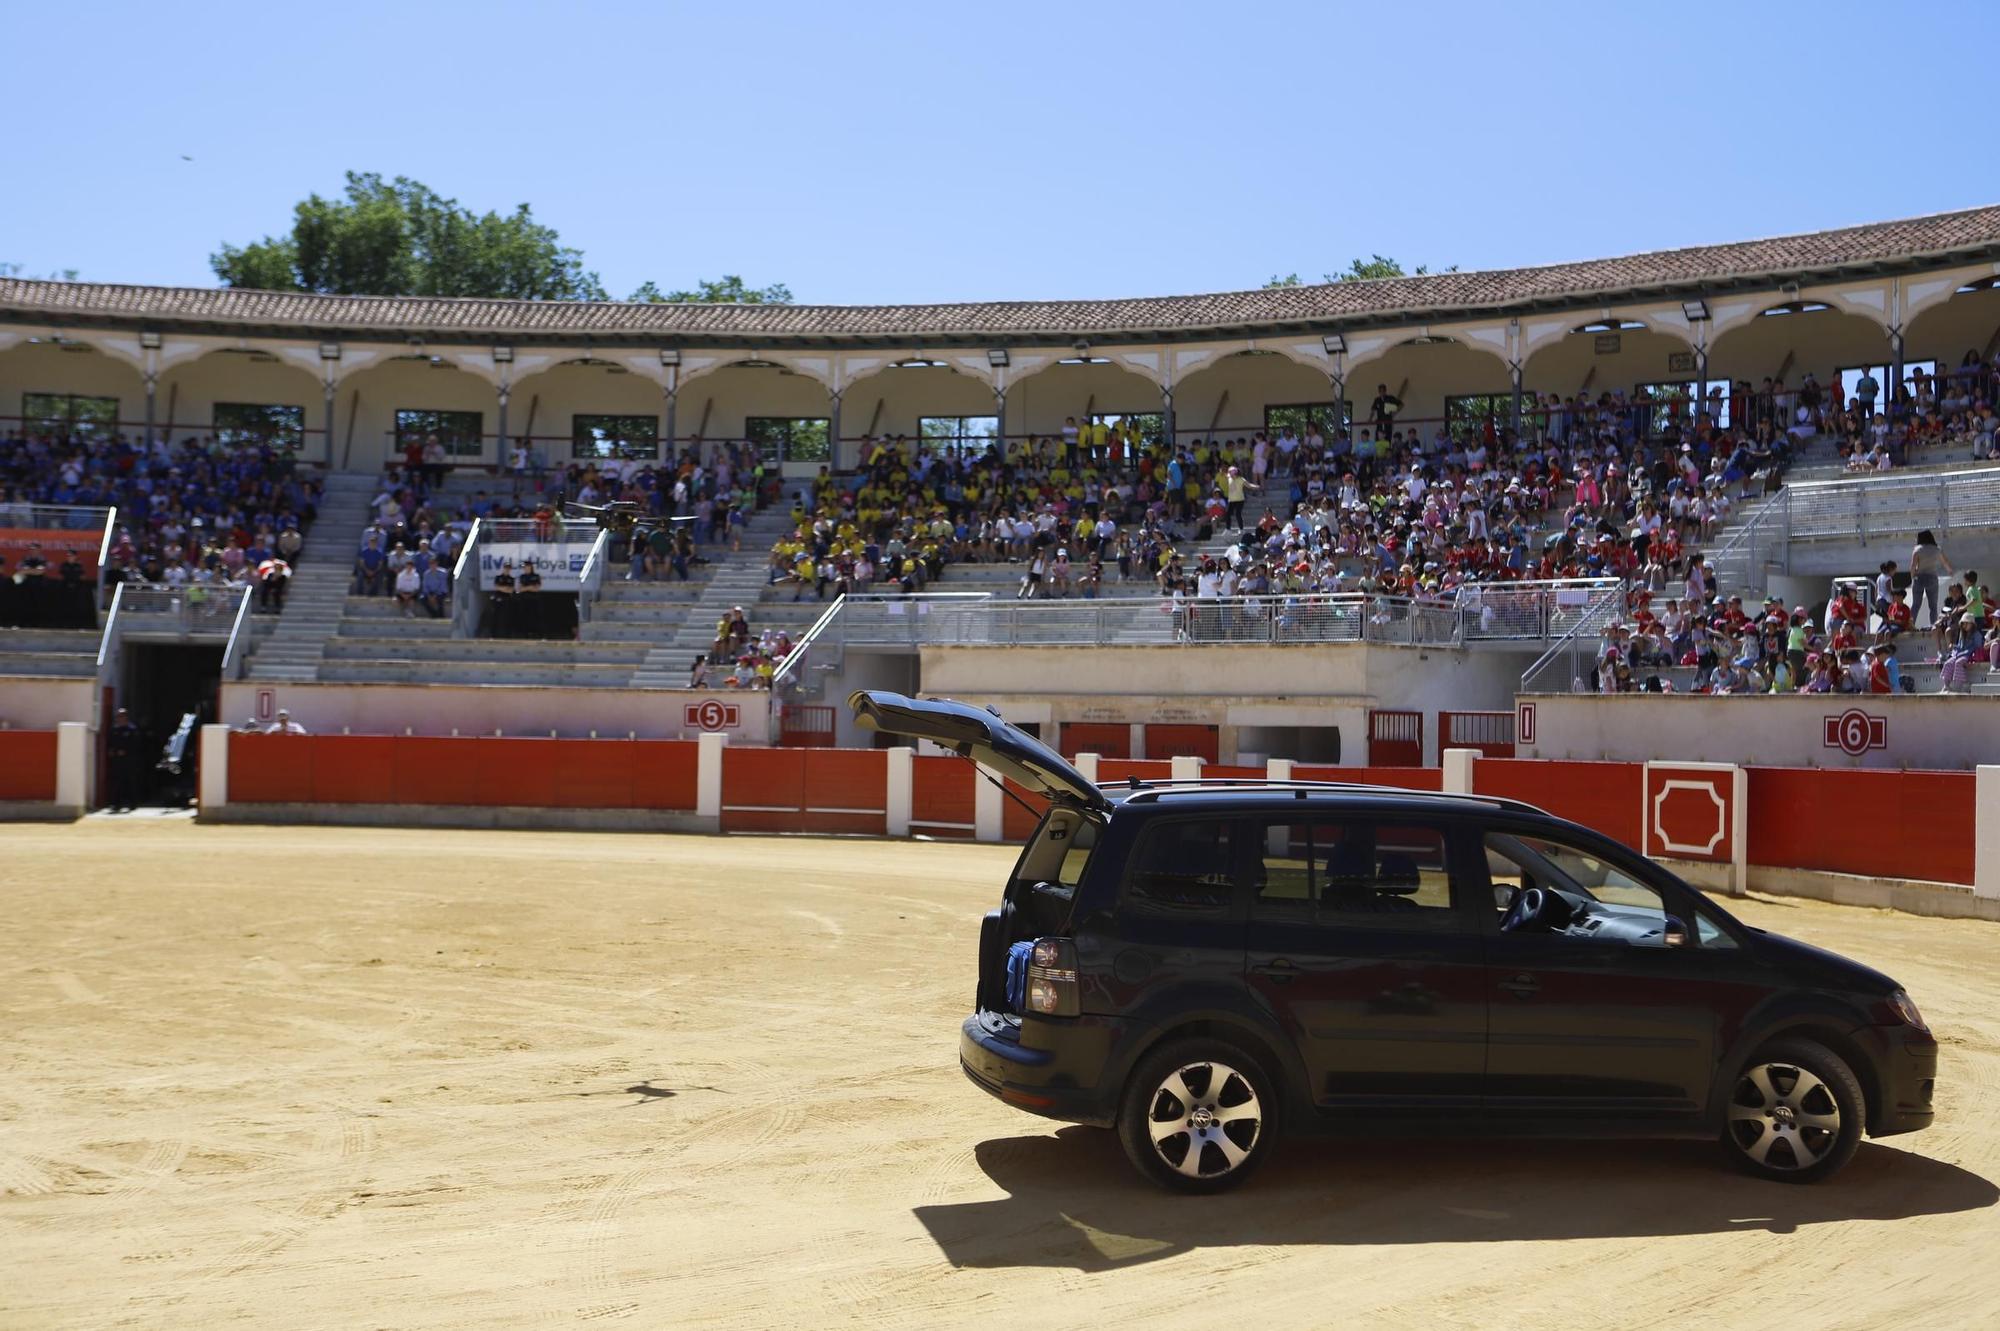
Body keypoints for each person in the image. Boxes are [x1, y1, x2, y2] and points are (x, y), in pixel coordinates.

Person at [1909, 531, 1951, 628]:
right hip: (1932, 577)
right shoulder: (1936, 549)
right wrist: (1949, 570)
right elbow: (1945, 562)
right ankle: (1934, 626)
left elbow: (1912, 566)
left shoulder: (1917, 549)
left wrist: (1913, 577)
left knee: (1916, 605)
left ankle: (1910, 625)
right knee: (1933, 606)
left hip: (1919, 577)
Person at [106, 708, 144, 811]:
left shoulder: (132, 729)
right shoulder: (114, 730)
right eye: (118, 716)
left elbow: (136, 744)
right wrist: (111, 751)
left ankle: (133, 804)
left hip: (130, 760)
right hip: (117, 761)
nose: (120, 719)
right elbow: (110, 743)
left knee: (131, 781)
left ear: (126, 717)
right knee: (117, 782)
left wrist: (126, 751)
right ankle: (116, 804)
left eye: (122, 716)